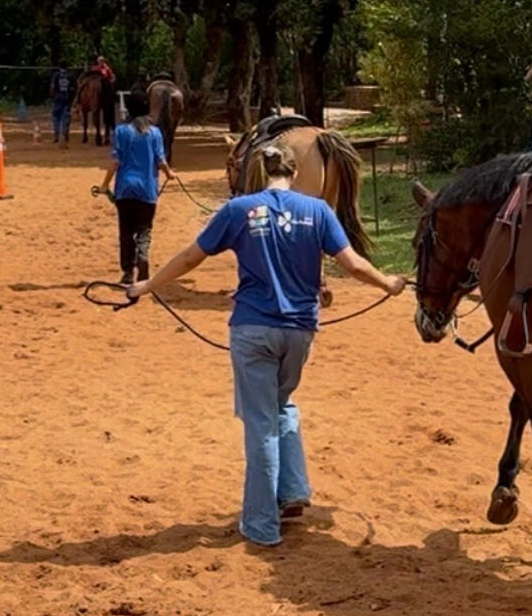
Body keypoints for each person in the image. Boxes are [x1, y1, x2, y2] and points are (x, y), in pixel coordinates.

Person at [126, 145, 407, 547]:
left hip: (254, 328)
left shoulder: (238, 210)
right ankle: (292, 491)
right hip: (300, 331)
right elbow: (353, 264)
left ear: (258, 171)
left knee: (260, 423)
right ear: (294, 173)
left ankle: (260, 524)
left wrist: (146, 286)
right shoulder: (318, 211)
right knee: (281, 402)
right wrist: (389, 284)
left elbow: (191, 257)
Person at [99, 91, 175, 285]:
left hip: (124, 189)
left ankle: (127, 273)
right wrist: (169, 174)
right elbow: (160, 160)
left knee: (125, 232)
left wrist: (104, 185)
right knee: (144, 229)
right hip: (147, 190)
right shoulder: (155, 132)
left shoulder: (121, 131)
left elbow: (115, 162)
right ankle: (143, 256)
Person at [49, 62, 73, 145]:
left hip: (58, 98)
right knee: (66, 117)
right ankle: (65, 134)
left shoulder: (56, 75)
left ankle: (56, 135)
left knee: (56, 116)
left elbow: (52, 87)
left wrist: (52, 96)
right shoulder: (70, 76)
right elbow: (73, 88)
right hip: (67, 98)